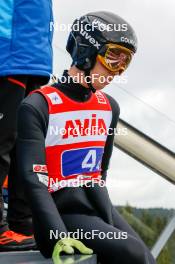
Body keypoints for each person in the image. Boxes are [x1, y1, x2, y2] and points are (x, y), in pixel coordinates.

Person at [17, 11, 156, 263]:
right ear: (85, 51)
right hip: (59, 214)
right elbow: (34, 178)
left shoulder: (109, 107)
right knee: (134, 254)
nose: (118, 70)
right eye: (113, 58)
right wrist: (57, 234)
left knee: (145, 256)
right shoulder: (39, 105)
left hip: (93, 208)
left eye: (125, 61)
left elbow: (98, 176)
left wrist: (107, 219)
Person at [0, 0, 53, 250]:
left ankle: (22, 223)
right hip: (6, 50)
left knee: (25, 149)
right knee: (2, 143)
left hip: (34, 56)